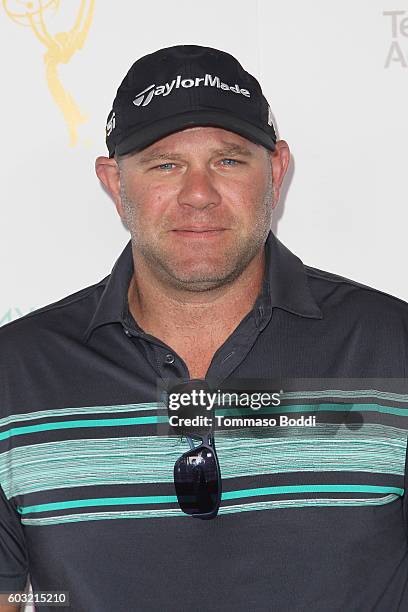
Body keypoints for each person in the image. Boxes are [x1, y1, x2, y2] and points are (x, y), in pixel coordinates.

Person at [0, 44, 407, 612]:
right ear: (116, 182)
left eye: (229, 160)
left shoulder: (393, 351)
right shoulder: (15, 374)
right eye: (165, 164)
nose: (198, 194)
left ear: (278, 171)